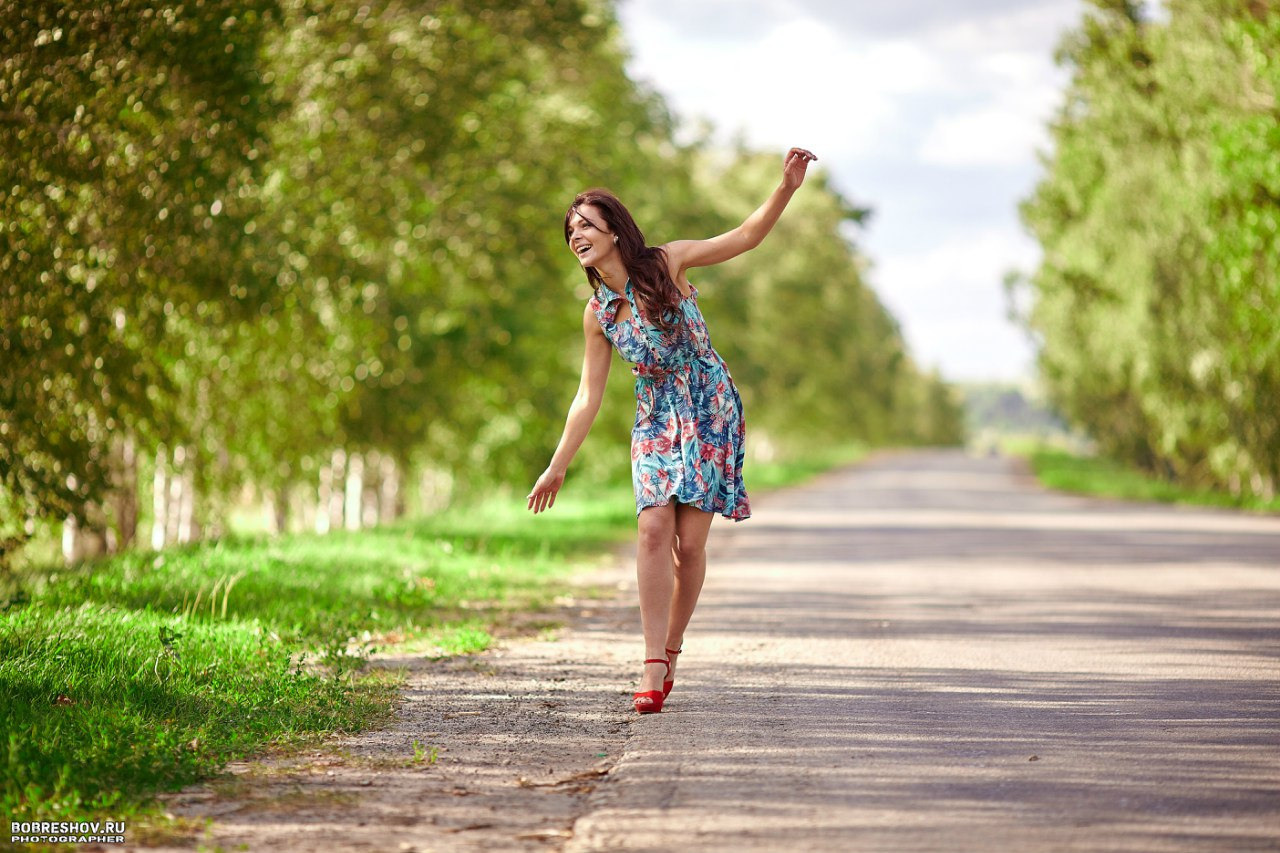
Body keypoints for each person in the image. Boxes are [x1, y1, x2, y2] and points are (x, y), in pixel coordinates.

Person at [526, 147, 817, 714]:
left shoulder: (667, 262)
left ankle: (673, 646)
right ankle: (652, 661)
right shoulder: (598, 314)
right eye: (569, 230)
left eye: (585, 224)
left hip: (708, 407)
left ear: (615, 229)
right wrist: (557, 463)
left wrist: (785, 188)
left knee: (690, 545)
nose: (576, 235)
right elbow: (587, 397)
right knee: (653, 530)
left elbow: (744, 237)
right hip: (656, 418)